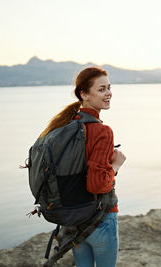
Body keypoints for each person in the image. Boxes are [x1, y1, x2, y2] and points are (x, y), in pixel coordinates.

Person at [40, 66, 126, 267]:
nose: (109, 93)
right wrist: (116, 165)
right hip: (101, 218)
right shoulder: (102, 131)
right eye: (102, 89)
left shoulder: (66, 126)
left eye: (109, 87)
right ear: (84, 94)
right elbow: (97, 185)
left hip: (73, 218)